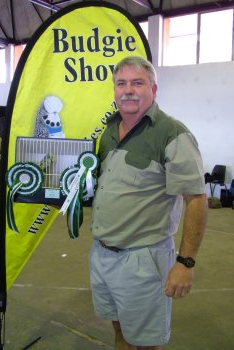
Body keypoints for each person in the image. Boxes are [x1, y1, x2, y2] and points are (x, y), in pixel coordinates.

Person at [90, 56, 208, 350]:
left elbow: (196, 200)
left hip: (142, 261)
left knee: (145, 342)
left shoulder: (172, 134)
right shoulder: (107, 131)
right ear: (115, 90)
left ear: (153, 90)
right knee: (119, 331)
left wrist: (185, 262)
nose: (128, 90)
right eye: (121, 83)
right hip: (102, 253)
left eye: (137, 83)